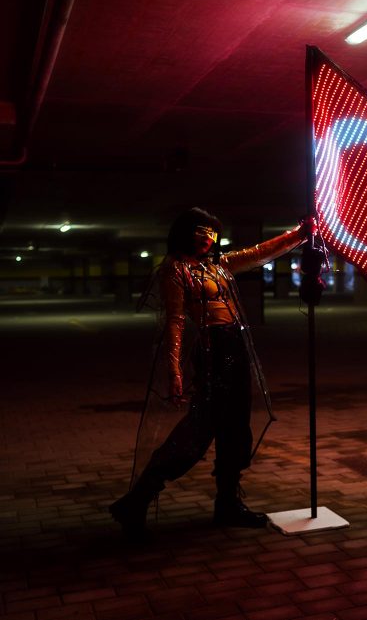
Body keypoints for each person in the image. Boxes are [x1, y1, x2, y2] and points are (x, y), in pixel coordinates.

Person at [110, 207, 315, 536]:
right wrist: (174, 369)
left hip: (236, 348)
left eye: (211, 233)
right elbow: (175, 322)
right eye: (200, 232)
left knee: (236, 428)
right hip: (212, 353)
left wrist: (298, 234)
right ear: (185, 233)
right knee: (198, 430)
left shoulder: (216, 265)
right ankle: (137, 500)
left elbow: (258, 253)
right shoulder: (174, 270)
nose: (207, 239)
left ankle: (228, 503)